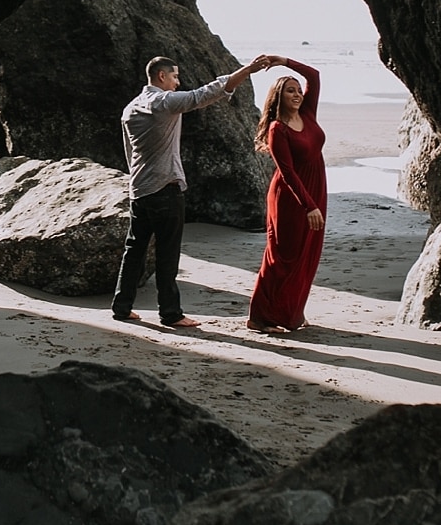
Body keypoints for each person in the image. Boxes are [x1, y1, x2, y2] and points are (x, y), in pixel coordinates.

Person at [114, 53, 270, 328]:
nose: (178, 82)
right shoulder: (162, 102)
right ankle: (171, 314)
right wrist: (246, 71)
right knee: (167, 254)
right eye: (174, 76)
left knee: (134, 250)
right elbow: (202, 95)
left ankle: (122, 307)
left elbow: (130, 154)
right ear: (161, 76)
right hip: (165, 188)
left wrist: (136, 182)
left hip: (140, 188)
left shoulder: (130, 108)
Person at [248, 59, 326, 332]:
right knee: (282, 257)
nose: (297, 94)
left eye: (297, 90)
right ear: (278, 97)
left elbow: (314, 76)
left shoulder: (307, 113)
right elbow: (288, 172)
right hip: (291, 198)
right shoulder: (277, 129)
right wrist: (309, 206)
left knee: (308, 254)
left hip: (316, 191)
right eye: (290, 91)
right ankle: (259, 317)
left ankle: (292, 311)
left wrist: (283, 61)